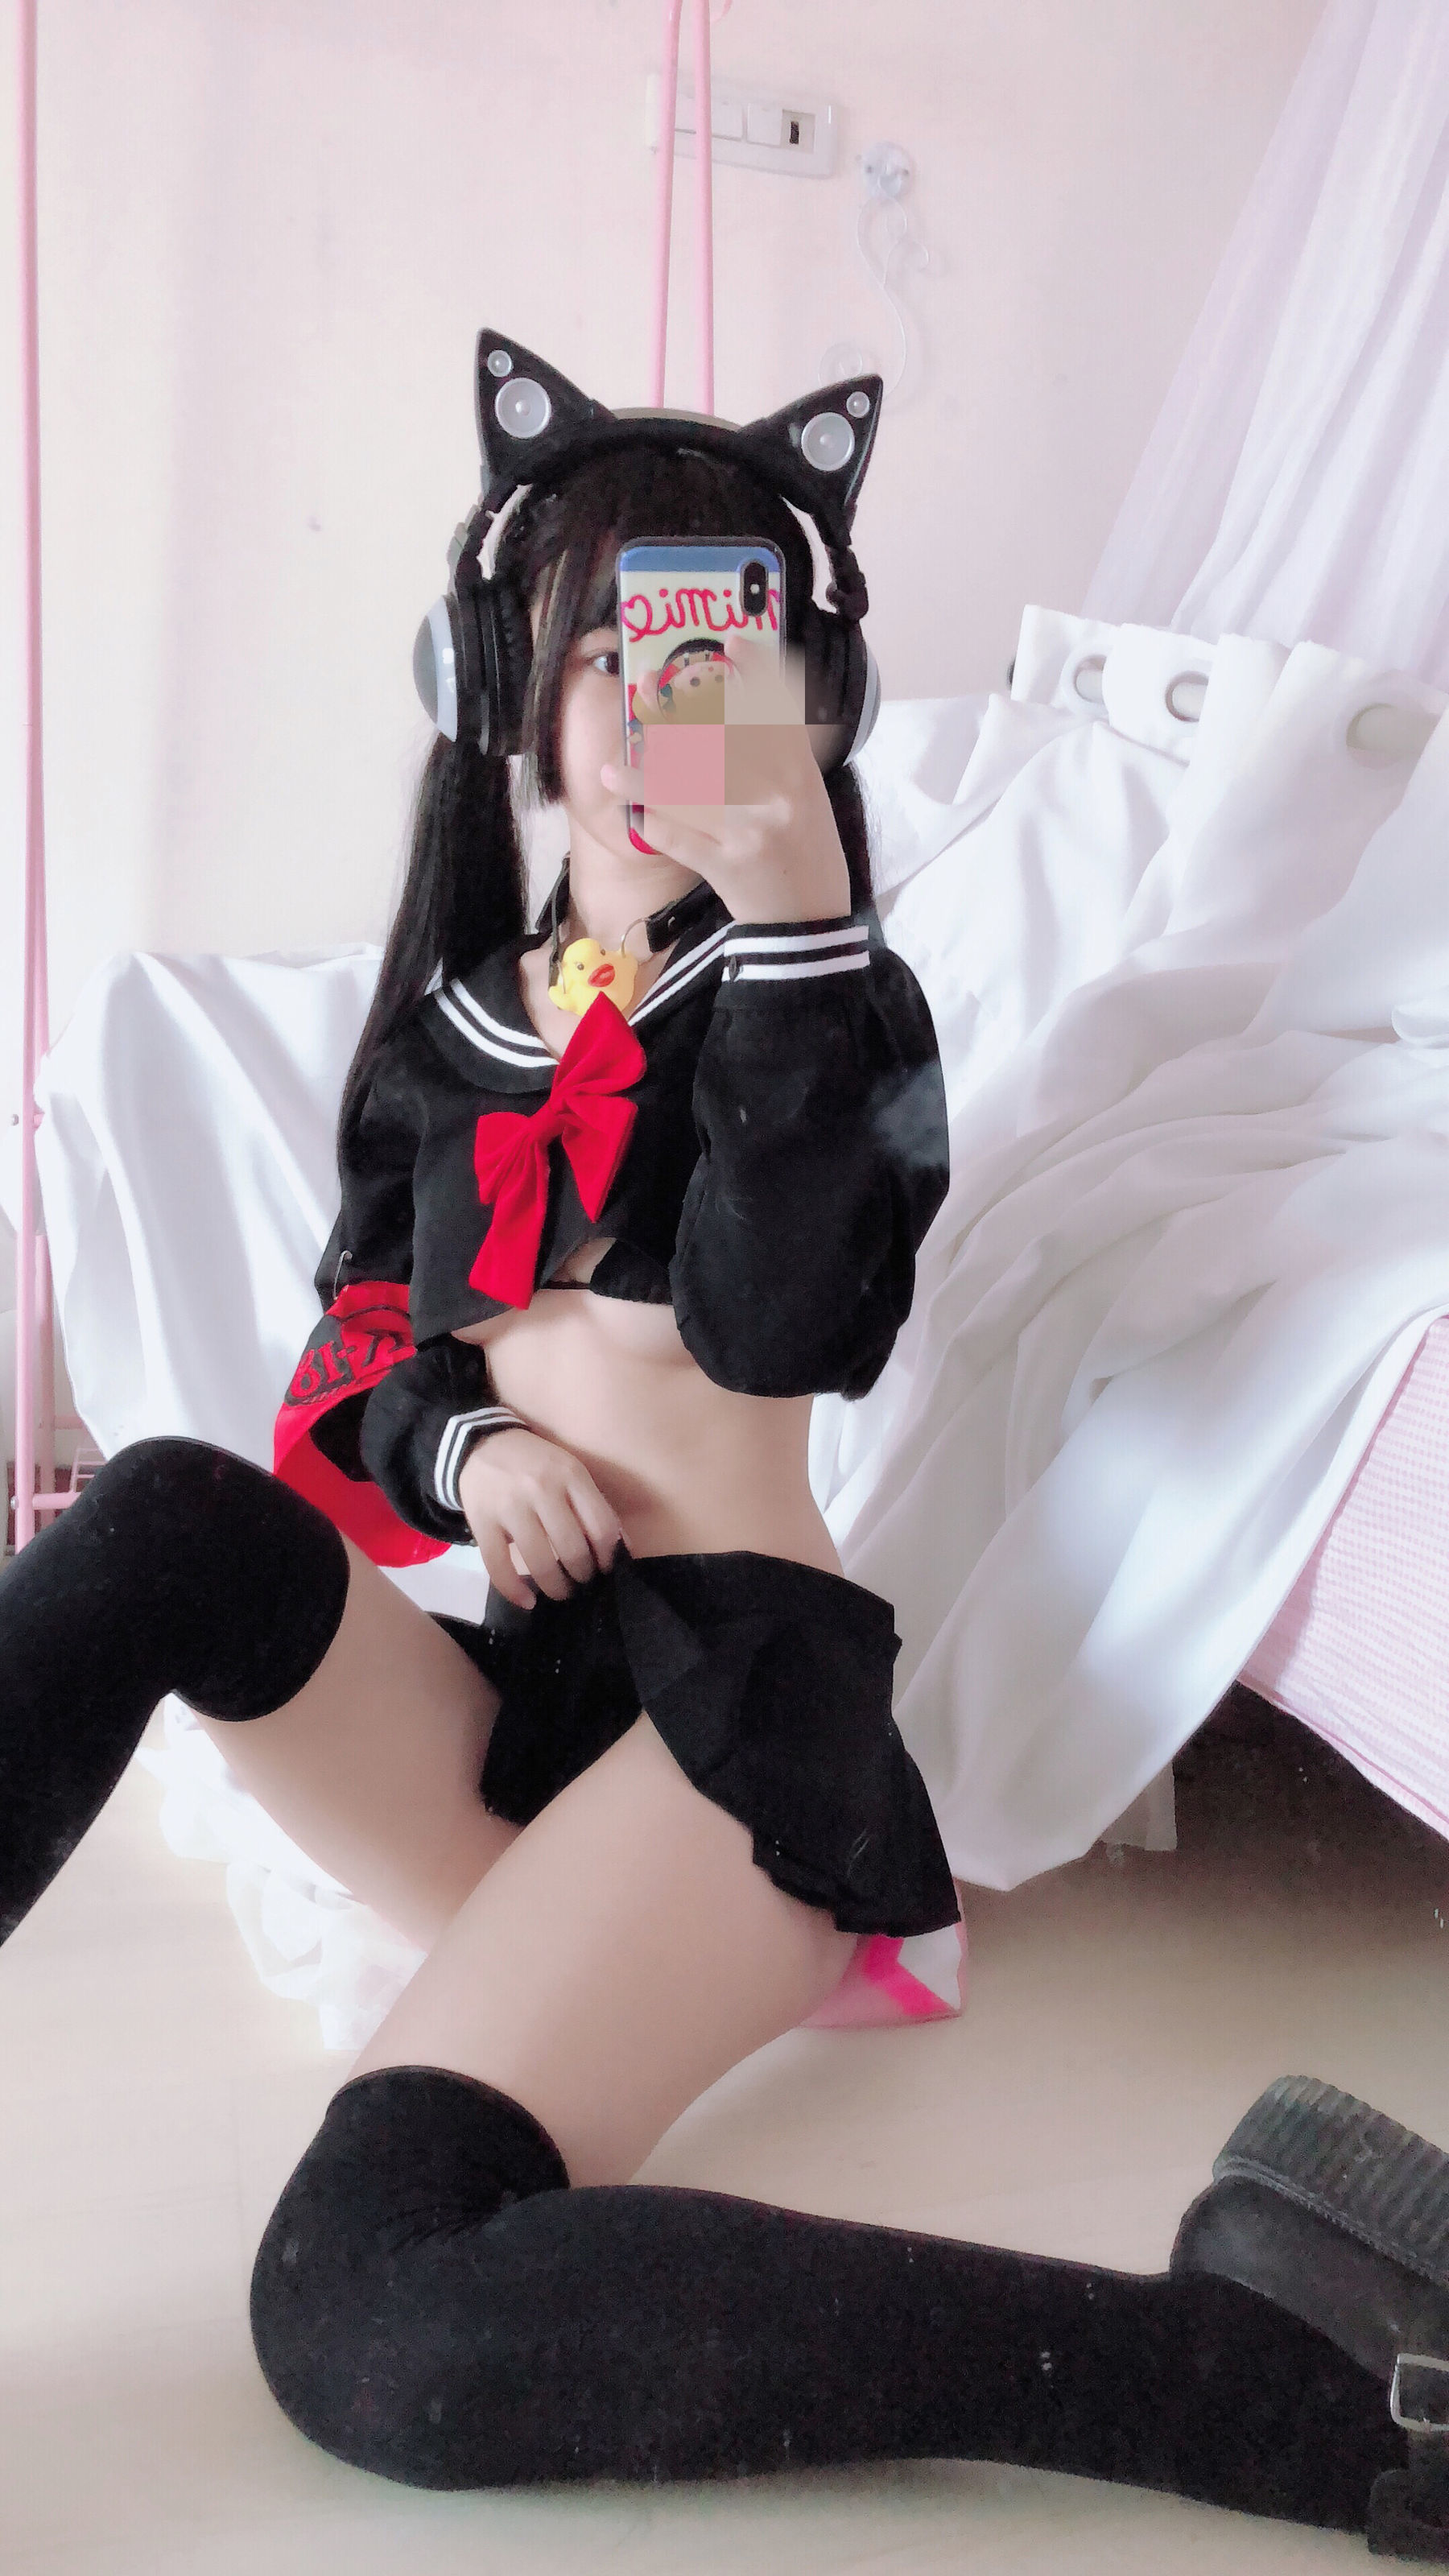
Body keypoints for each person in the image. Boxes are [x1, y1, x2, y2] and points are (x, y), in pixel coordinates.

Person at [1, 342, 1442, 2550]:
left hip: (737, 1724)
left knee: (367, 2304)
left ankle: (1293, 2384)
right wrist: (465, 1448)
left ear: (804, 698)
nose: (657, 700)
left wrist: (791, 930)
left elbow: (799, 1328)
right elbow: (351, 1369)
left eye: (715, 653)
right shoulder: (451, 1031)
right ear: (506, 679)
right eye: (610, 647)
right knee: (170, 1512)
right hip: (520, 1709)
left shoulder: (831, 997)